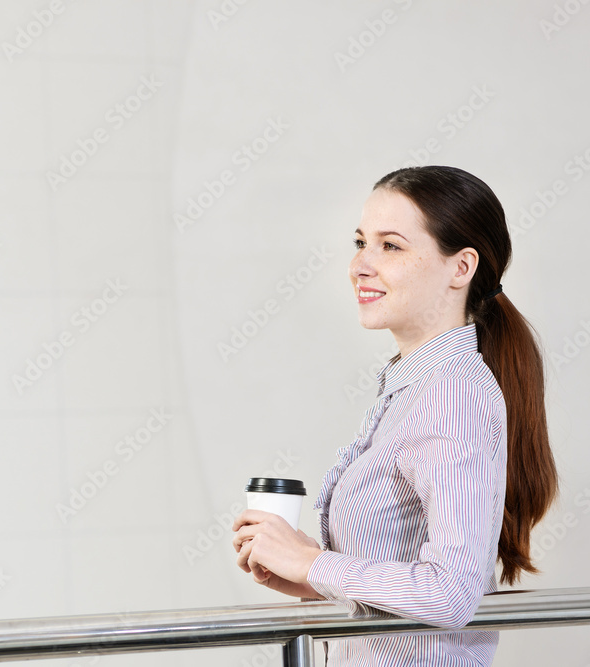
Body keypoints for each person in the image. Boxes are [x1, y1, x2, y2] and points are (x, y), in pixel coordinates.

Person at [231, 165, 559, 666]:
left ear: (460, 268)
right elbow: (405, 588)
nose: (360, 265)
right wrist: (311, 576)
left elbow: (451, 593)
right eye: (361, 242)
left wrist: (312, 561)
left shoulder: (453, 393)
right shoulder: (411, 386)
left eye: (391, 246)